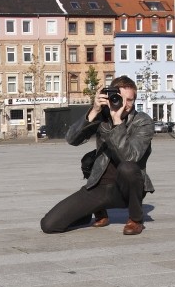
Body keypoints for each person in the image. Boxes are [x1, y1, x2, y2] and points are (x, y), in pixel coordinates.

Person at [40, 75, 154, 236]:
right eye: (120, 99)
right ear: (109, 97)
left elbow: (129, 158)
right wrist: (94, 110)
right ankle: (97, 211)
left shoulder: (143, 122)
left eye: (130, 100)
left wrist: (117, 122)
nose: (125, 105)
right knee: (49, 225)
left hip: (126, 189)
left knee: (128, 168)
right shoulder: (102, 115)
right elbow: (72, 139)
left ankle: (135, 219)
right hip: (100, 188)